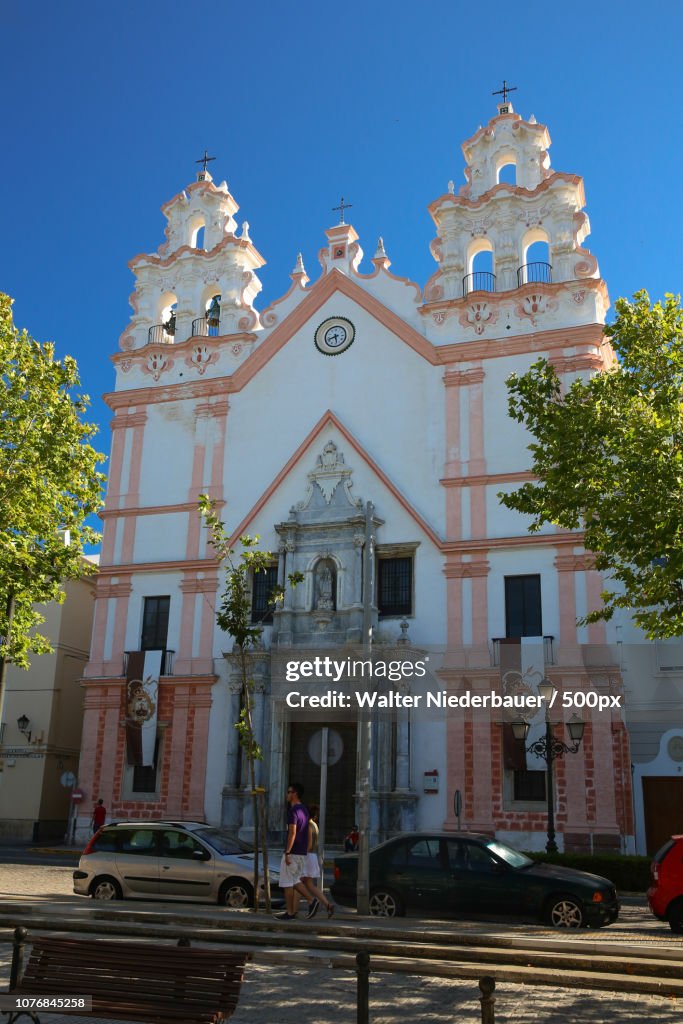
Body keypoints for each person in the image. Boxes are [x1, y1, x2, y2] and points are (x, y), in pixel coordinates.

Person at [275, 783, 319, 921]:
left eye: (289, 792)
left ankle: (309, 902)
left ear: (294, 794)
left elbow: (292, 833)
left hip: (293, 851)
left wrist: (287, 852)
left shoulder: (293, 811)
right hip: (301, 852)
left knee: (289, 882)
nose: (287, 794)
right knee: (292, 881)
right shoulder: (304, 810)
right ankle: (292, 911)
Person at [302, 804, 335, 918]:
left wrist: (301, 855)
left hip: (307, 856)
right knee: (310, 885)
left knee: (297, 883)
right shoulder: (315, 825)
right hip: (312, 857)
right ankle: (328, 905)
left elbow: (309, 844)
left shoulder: (308, 826)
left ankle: (294, 910)